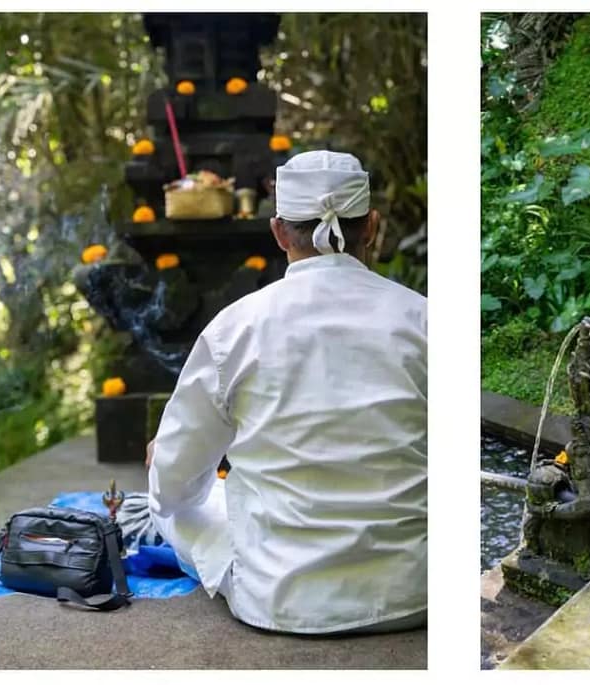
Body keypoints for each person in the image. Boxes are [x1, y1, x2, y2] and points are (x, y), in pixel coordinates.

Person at [145, 150, 427, 634]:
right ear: (373, 227)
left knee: (177, 502)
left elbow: (174, 488)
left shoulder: (234, 328)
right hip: (415, 594)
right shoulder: (424, 318)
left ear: (278, 232)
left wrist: (165, 458)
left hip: (282, 601)